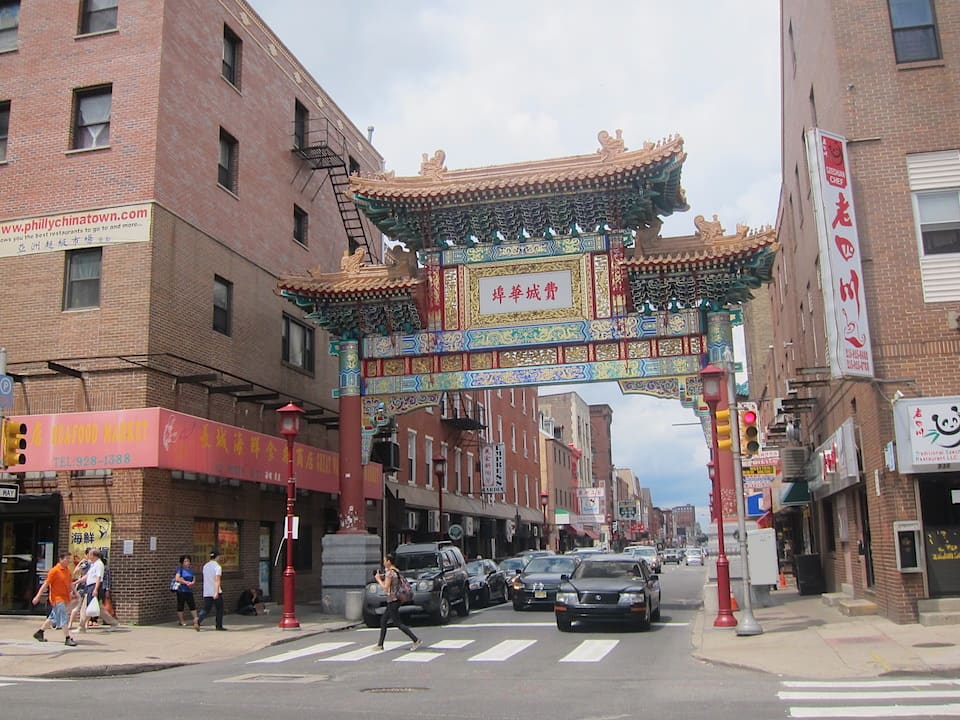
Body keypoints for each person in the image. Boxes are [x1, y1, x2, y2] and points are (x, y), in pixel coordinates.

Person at [374, 553, 421, 652]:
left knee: (397, 623)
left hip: (393, 600)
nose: (383, 562)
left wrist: (378, 579)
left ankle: (416, 640)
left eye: (384, 560)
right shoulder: (396, 571)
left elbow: (386, 588)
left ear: (389, 562)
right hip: (396, 599)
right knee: (383, 620)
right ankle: (380, 644)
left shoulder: (389, 573)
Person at [31, 551, 79, 647]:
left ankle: (40, 632)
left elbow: (70, 583)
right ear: (61, 559)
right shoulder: (54, 571)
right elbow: (46, 584)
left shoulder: (67, 571)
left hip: (65, 598)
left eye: (69, 559)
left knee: (53, 617)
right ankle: (67, 638)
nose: (68, 561)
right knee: (63, 618)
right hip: (57, 598)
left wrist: (75, 592)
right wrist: (38, 596)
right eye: (67, 559)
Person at [195, 549, 225, 631]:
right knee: (219, 609)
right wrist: (216, 592)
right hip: (216, 591)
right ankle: (219, 626)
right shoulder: (217, 567)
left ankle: (198, 620)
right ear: (217, 557)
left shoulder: (205, 566)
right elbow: (217, 580)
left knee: (206, 609)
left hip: (207, 591)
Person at [174, 554, 198, 627]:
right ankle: (181, 621)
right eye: (185, 561)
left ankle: (196, 619)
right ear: (182, 562)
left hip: (189, 590)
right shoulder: (180, 570)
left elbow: (194, 579)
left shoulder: (191, 570)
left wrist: (192, 583)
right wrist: (185, 582)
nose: (187, 563)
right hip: (181, 590)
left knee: (192, 605)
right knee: (181, 605)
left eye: (188, 561)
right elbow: (177, 579)